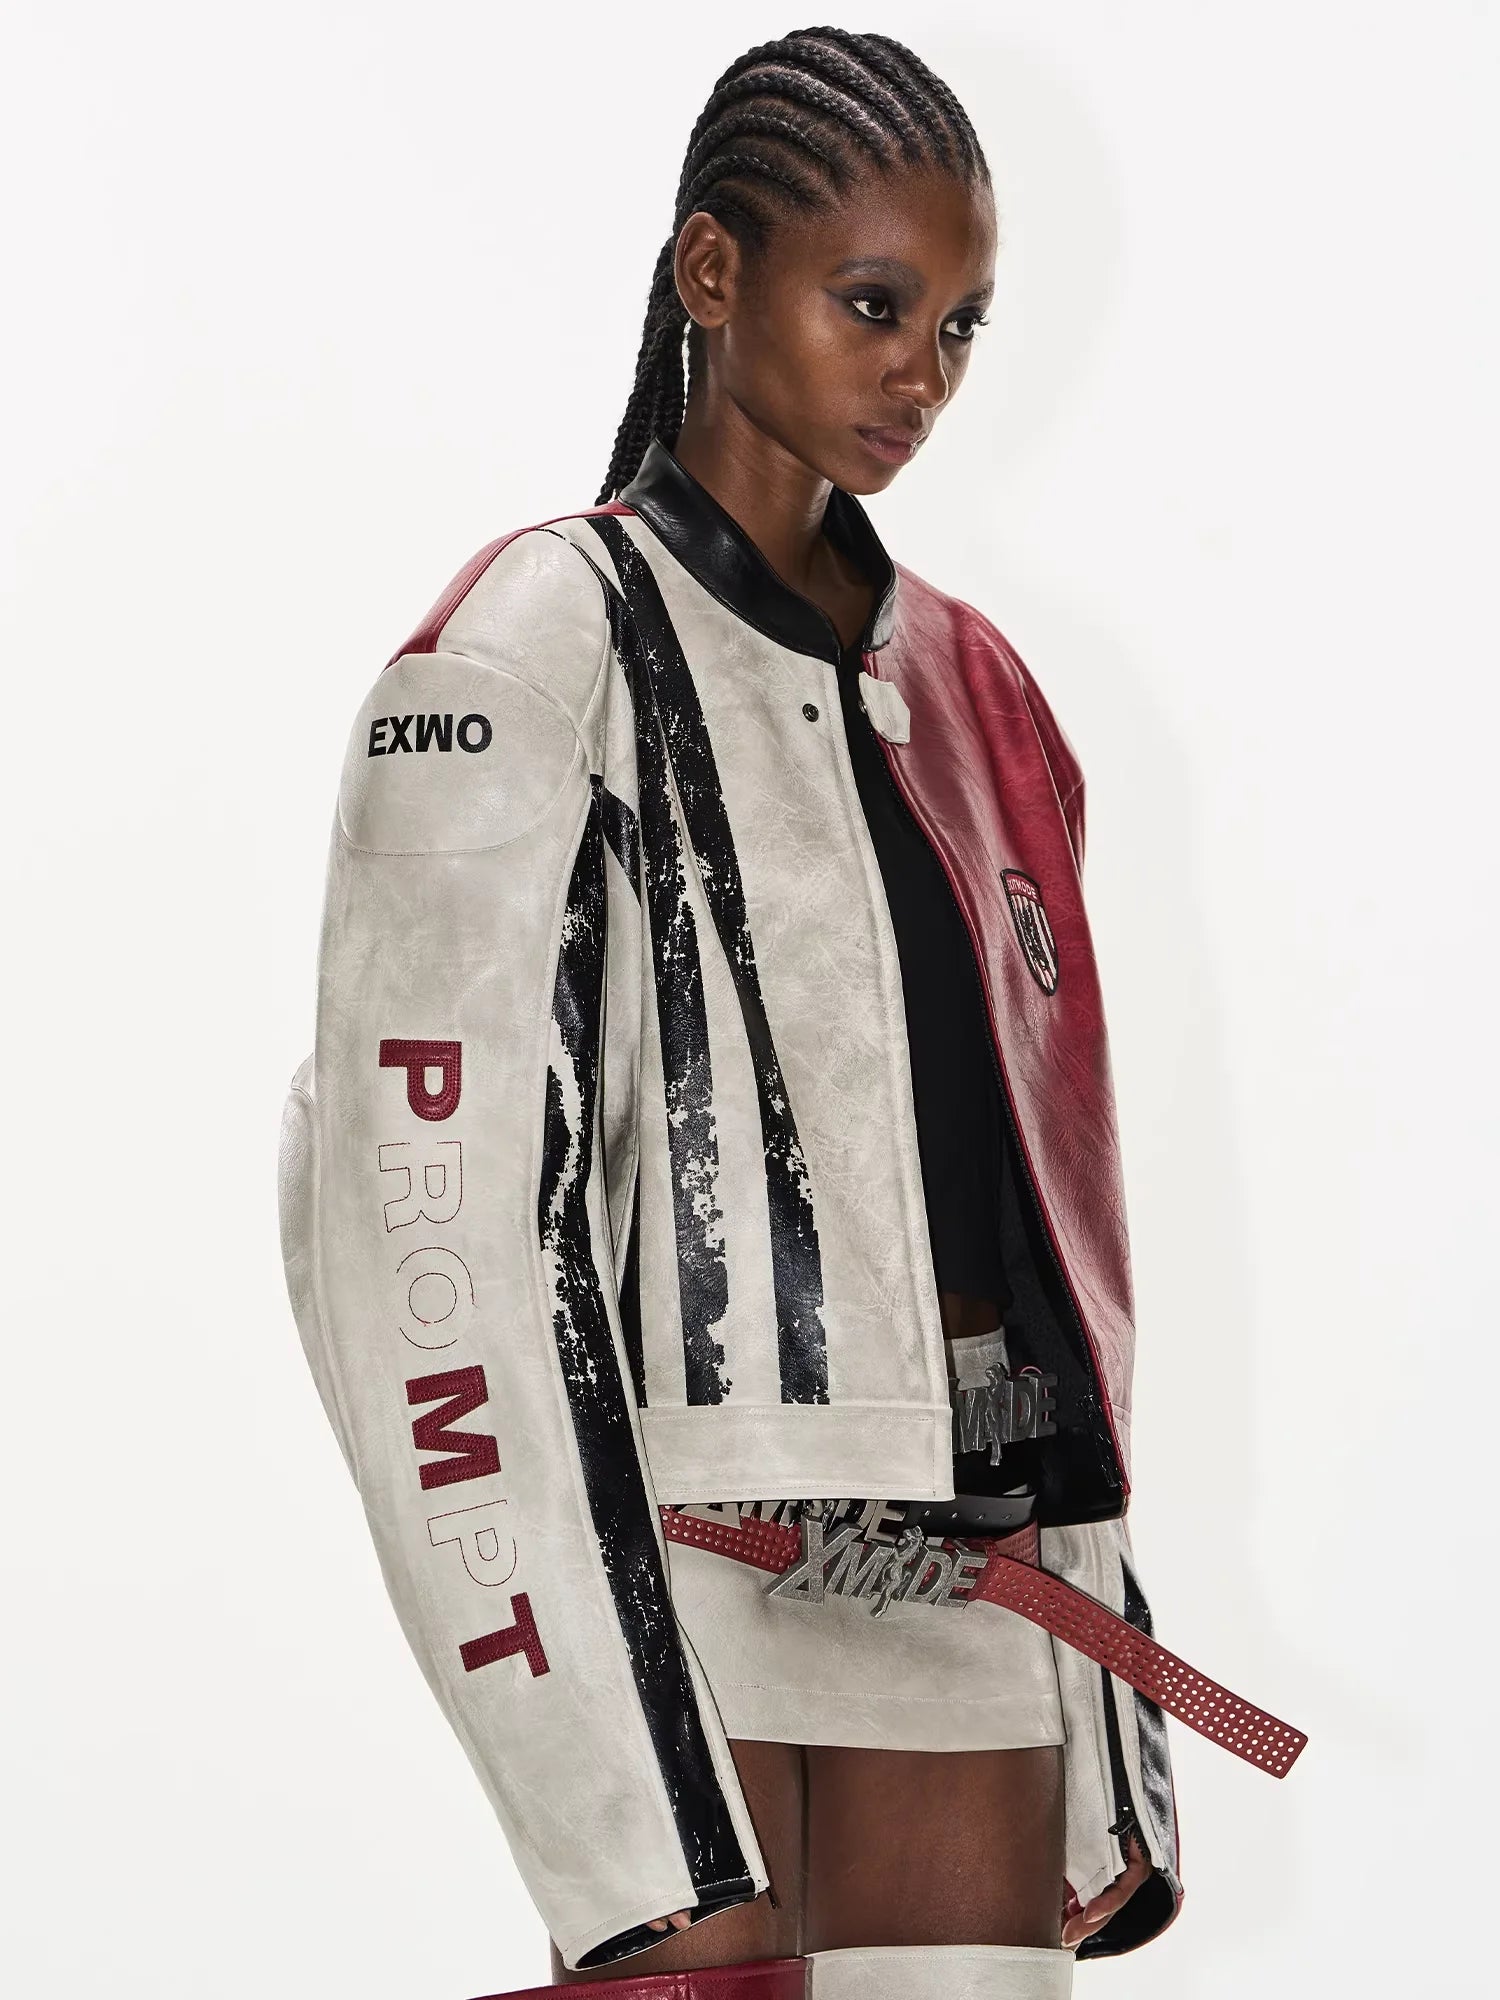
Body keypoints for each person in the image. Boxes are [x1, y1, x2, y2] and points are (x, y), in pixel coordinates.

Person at [277, 27, 1303, 2000]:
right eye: (875, 304)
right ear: (711, 272)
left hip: (976, 1573)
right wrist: (577, 1721)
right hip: (690, 1571)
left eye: (963, 325)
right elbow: (412, 1221)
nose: (923, 374)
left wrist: (1088, 1584)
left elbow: (1040, 1215)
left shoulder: (986, 693)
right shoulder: (537, 642)